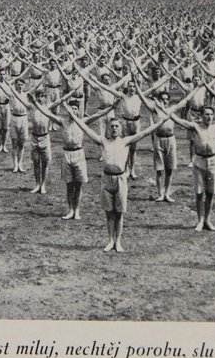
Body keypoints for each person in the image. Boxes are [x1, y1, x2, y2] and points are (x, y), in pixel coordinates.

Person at [63, 107, 170, 252]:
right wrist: (73, 116)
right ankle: (110, 240)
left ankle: (118, 241)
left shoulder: (126, 141)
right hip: (106, 179)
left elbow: (146, 132)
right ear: (108, 128)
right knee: (108, 212)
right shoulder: (103, 141)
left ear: (121, 129)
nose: (114, 129)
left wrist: (161, 121)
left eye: (116, 126)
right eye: (111, 126)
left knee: (119, 213)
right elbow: (86, 129)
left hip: (120, 180)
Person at [28, 95, 114, 219]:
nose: (73, 111)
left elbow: (98, 115)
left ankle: (77, 210)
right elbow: (46, 113)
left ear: (78, 110)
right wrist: (35, 101)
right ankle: (70, 210)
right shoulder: (63, 121)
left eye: (75, 109)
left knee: (78, 184)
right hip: (66, 154)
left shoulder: (82, 121)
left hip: (79, 154)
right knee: (69, 184)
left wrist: (112, 106)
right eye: (71, 108)